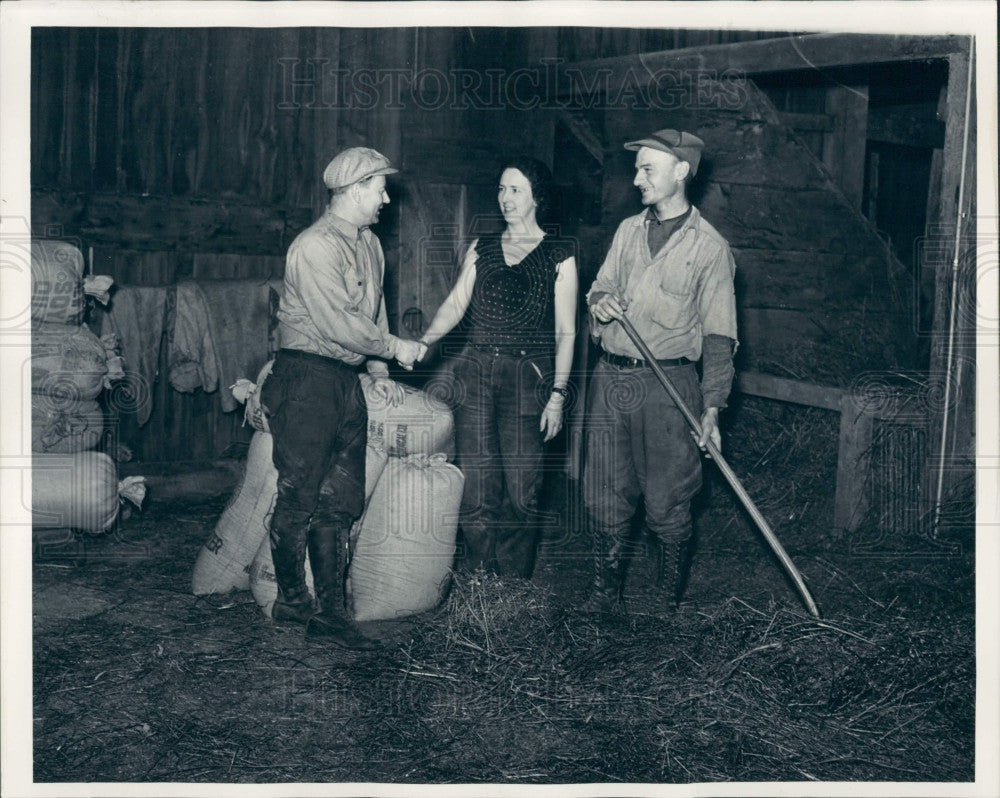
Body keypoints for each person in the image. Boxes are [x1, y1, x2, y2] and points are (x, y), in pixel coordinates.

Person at [260, 147, 423, 648]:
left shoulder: (370, 245)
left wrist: (377, 367)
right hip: (305, 380)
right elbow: (337, 323)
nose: (386, 197)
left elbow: (372, 314)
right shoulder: (314, 247)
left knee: (341, 498)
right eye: (379, 188)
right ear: (354, 190)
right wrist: (395, 348)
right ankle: (291, 601)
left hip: (344, 382)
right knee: (300, 493)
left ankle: (330, 613)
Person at [583, 129, 738, 612]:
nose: (637, 178)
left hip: (669, 388)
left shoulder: (710, 249)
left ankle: (663, 602)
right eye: (637, 168)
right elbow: (597, 288)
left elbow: (718, 336)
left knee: (668, 500)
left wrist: (712, 409)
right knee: (605, 492)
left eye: (647, 168)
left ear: (681, 172)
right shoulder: (628, 231)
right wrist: (598, 303)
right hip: (610, 380)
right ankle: (604, 596)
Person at [416, 156, 578, 578]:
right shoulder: (482, 247)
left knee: (523, 492)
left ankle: (513, 588)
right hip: (476, 372)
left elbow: (566, 331)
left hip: (529, 379)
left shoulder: (560, 253)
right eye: (502, 189)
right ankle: (481, 582)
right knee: (477, 487)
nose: (505, 198)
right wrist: (426, 341)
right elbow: (455, 303)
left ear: (537, 197)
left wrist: (558, 395)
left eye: (516, 190)